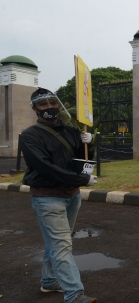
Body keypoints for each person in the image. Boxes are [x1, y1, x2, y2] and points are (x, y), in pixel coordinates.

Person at [20, 87, 98, 303]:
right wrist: (82, 180)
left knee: (55, 243)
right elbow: (45, 167)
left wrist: (88, 144)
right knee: (61, 245)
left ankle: (48, 281)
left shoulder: (72, 130)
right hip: (47, 197)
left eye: (53, 103)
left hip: (72, 195)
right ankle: (74, 294)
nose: (49, 108)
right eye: (43, 104)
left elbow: (82, 160)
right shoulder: (29, 136)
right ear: (35, 108)